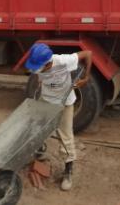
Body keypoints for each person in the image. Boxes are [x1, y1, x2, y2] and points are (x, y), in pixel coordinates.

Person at [25, 43, 92, 191]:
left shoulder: (63, 61)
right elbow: (39, 76)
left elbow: (88, 54)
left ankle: (68, 170)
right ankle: (40, 149)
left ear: (48, 63)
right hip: (47, 99)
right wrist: (40, 83)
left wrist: (86, 78)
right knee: (36, 124)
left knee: (66, 137)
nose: (35, 70)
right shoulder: (39, 65)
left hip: (64, 103)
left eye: (38, 67)